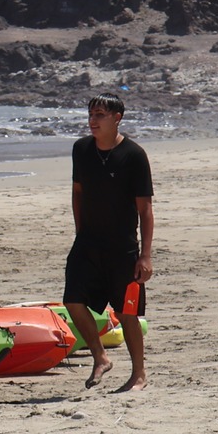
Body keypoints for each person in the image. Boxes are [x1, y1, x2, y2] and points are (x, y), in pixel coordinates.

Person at [65, 95, 154, 392]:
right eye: (91, 113)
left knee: (128, 313)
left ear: (118, 118)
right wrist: (80, 231)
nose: (93, 120)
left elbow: (145, 209)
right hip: (87, 244)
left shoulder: (133, 155)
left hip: (123, 249)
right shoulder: (81, 149)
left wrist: (145, 256)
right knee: (73, 302)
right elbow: (78, 192)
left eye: (100, 114)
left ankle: (139, 374)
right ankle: (100, 356)